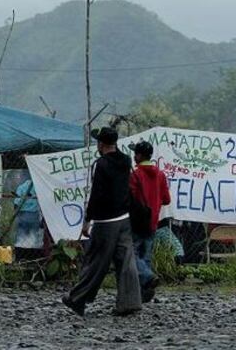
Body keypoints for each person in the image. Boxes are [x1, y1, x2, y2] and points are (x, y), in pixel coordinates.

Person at [62, 127, 141, 317]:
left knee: (96, 261)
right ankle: (129, 302)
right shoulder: (125, 160)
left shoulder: (101, 164)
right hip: (124, 217)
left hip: (106, 220)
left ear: (101, 144)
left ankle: (77, 299)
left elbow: (96, 194)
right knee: (126, 261)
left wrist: (88, 219)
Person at [128, 140, 171, 303]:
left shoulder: (135, 175)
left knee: (131, 253)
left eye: (135, 154)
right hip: (153, 221)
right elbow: (167, 200)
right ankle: (144, 291)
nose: (134, 156)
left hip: (137, 221)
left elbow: (130, 197)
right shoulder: (160, 175)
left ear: (139, 155)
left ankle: (147, 277)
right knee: (145, 256)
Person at [13, 178, 44, 258]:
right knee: (34, 236)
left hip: (23, 214)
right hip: (34, 215)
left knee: (21, 236)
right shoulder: (39, 186)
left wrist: (16, 213)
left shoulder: (21, 187)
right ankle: (32, 257)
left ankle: (20, 257)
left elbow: (16, 203)